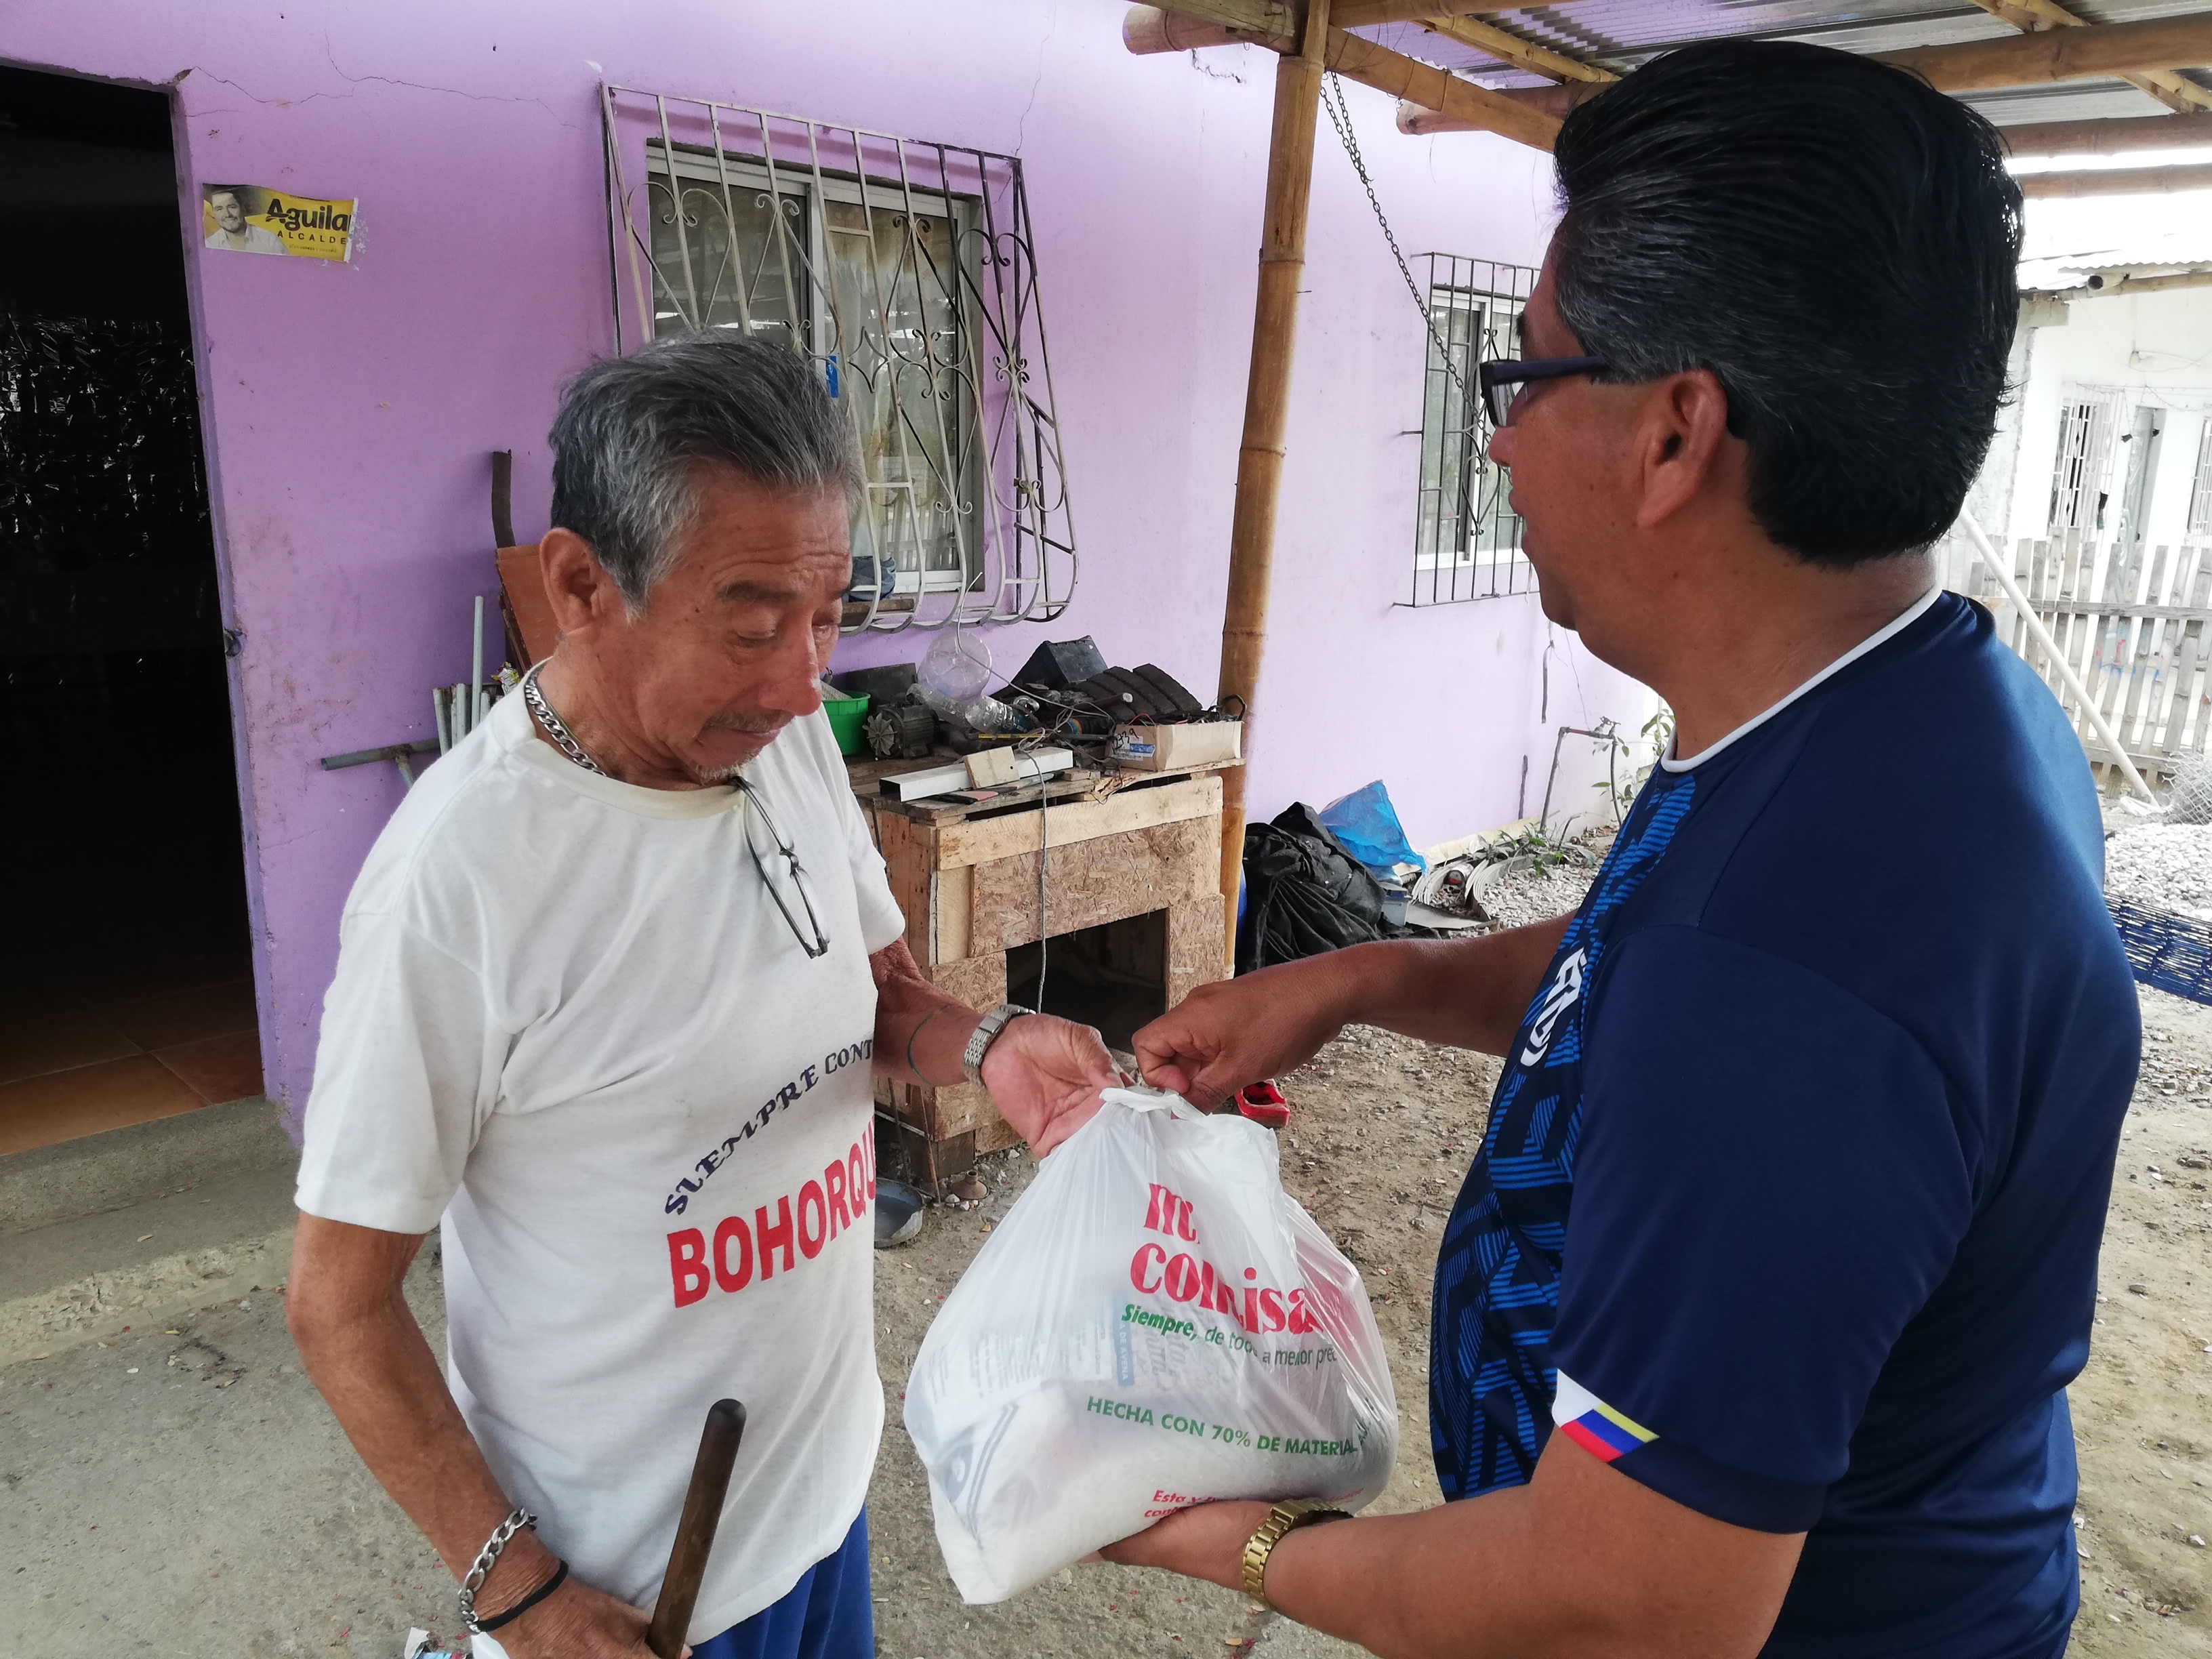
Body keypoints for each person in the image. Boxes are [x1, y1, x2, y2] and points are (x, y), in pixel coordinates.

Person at [1113, 38, 2138, 1659]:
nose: (1501, 445)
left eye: (1523, 379)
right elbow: (1629, 949)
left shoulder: (1780, 980)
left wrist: (1245, 1544)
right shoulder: (1902, 711)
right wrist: (1363, 980)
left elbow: (1630, 1602)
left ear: (1675, 436)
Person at [287, 333, 1118, 1659]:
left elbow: (873, 994)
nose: (801, 682)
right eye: (750, 624)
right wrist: (520, 1592)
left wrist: (987, 1046)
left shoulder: (775, 739)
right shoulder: (459, 886)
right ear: (580, 585)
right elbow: (337, 1301)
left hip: (817, 1496)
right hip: (638, 1584)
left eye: (828, 615)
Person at [204, 186, 287, 255]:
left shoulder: (270, 241)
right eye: (219, 209)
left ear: (243, 209)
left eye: (232, 207)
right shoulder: (210, 244)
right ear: (214, 213)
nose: (227, 214)